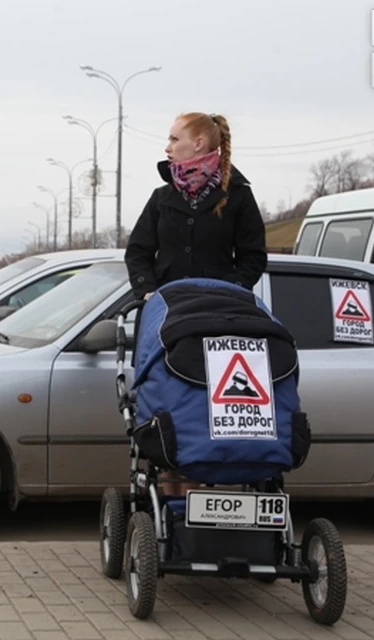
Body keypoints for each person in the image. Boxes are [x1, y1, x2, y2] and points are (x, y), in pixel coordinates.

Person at [125, 112, 267, 497]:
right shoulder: (163, 197)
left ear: (199, 144)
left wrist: (230, 290)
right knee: (169, 408)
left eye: (173, 139)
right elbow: (138, 253)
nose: (167, 147)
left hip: (221, 321)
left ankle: (220, 495)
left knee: (212, 409)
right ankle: (174, 505)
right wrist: (148, 291)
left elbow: (253, 258)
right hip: (166, 322)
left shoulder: (237, 195)